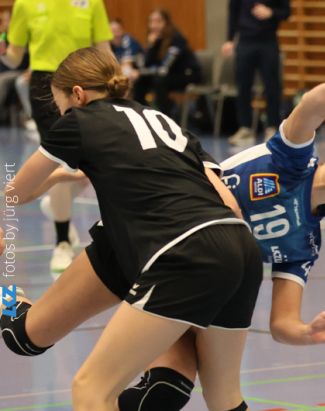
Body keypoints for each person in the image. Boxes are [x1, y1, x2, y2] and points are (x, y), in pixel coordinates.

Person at [116, 68, 325, 411]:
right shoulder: (293, 160)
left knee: (165, 392)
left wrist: (309, 333)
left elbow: (282, 323)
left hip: (204, 287)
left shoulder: (305, 243)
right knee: (118, 382)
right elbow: (307, 112)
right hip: (162, 242)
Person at [1, 47, 262, 411]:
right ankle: (8, 297)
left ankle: (5, 294)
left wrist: (54, 176)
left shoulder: (79, 121)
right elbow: (229, 203)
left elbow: (15, 193)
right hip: (240, 248)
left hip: (178, 251)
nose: (60, 115)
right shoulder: (165, 121)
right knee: (224, 398)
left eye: (59, 106)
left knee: (91, 390)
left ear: (77, 94)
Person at [0, 0, 113, 273]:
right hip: (46, 87)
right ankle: (62, 241)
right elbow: (14, 56)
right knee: (62, 161)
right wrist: (3, 50)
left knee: (92, 163)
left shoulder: (92, 3)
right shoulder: (25, 5)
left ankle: (58, 203)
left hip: (88, 81)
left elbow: (105, 50)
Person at [223, 0, 290, 146]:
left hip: (268, 42)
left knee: (272, 87)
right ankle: (245, 128)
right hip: (245, 42)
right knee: (243, 87)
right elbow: (233, 13)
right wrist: (229, 40)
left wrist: (271, 12)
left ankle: (272, 127)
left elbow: (286, 12)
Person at [132, 9, 201, 117]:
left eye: (158, 21)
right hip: (168, 75)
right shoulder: (156, 41)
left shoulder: (177, 39)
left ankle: (167, 116)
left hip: (187, 74)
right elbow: (146, 65)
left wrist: (141, 72)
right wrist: (150, 47)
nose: (154, 25)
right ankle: (140, 115)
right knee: (141, 81)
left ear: (167, 23)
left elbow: (165, 68)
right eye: (151, 22)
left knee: (159, 82)